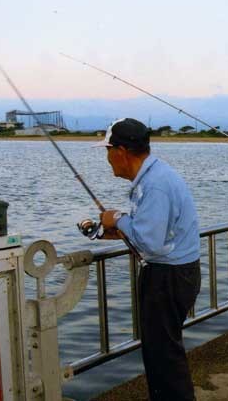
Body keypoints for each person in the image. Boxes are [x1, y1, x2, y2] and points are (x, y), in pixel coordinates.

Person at [95, 118, 201, 401]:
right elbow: (155, 232)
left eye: (107, 151)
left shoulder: (155, 185)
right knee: (161, 352)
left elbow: (150, 242)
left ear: (121, 152)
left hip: (168, 277)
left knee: (164, 356)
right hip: (174, 272)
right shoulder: (156, 176)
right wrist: (119, 228)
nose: (107, 159)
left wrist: (116, 218)